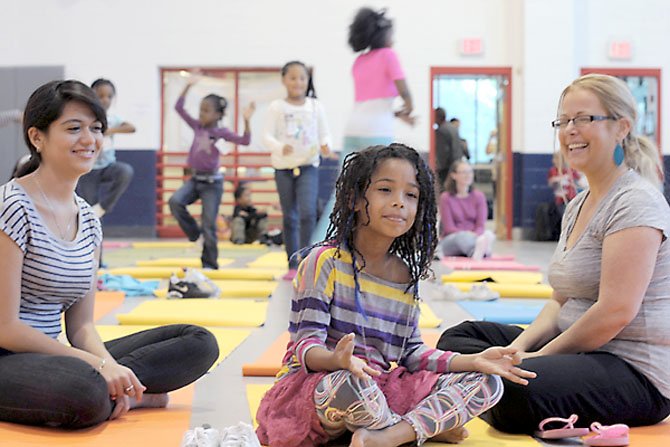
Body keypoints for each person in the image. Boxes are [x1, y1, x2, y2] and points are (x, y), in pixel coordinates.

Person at [256, 144, 535, 447]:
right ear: (354, 199)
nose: (399, 203)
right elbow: (305, 346)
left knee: (488, 384)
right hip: (318, 386)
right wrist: (337, 359)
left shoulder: (404, 277)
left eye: (411, 195)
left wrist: (473, 360)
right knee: (350, 386)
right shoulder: (324, 262)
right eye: (385, 190)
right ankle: (417, 427)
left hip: (380, 388)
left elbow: (412, 354)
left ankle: (388, 436)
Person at [438, 73, 670, 434]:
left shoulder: (635, 201)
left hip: (632, 368)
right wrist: (517, 350)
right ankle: (469, 392)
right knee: (457, 339)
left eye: (583, 119)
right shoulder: (577, 205)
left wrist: (538, 358)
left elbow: (615, 312)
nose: (570, 130)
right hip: (578, 352)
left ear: (622, 127)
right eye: (563, 121)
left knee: (512, 392)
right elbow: (557, 303)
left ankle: (458, 397)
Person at [0, 80, 219, 428]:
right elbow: (6, 328)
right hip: (7, 356)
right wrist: (99, 368)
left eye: (96, 128)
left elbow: (82, 326)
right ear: (37, 137)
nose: (89, 140)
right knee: (83, 391)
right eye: (73, 128)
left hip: (51, 355)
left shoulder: (88, 219)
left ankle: (118, 390)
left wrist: (106, 363)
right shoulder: (11, 206)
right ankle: (128, 394)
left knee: (198, 342)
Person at [311, 7, 414, 243]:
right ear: (382, 35)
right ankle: (369, 244)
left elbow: (373, 103)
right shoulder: (389, 55)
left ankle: (320, 245)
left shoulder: (359, 61)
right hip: (376, 133)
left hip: (353, 130)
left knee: (344, 193)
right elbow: (404, 90)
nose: (393, 39)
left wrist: (397, 114)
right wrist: (408, 107)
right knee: (379, 191)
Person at [169, 76, 255, 269]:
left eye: (206, 111)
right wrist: (188, 85)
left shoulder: (222, 132)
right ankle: (194, 235)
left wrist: (247, 120)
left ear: (217, 114)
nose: (201, 114)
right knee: (175, 202)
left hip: (212, 184)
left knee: (209, 224)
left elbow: (245, 141)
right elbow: (178, 108)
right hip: (195, 179)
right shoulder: (197, 126)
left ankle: (210, 263)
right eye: (201, 109)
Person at [263, 61, 332, 279]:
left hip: (308, 165)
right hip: (283, 167)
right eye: (292, 78)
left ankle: (306, 260)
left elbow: (324, 133)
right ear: (284, 80)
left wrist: (326, 145)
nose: (298, 82)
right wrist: (279, 147)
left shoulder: (315, 106)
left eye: (302, 78)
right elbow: (266, 136)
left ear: (307, 81)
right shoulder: (277, 107)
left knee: (308, 213)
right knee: (290, 216)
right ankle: (292, 264)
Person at [76, 79, 135, 218]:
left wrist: (111, 130)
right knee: (89, 211)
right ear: (91, 96)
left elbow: (131, 128)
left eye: (109, 96)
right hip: (88, 170)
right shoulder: (86, 117)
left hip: (107, 166)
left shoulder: (112, 118)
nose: (105, 100)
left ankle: (104, 206)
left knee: (125, 171)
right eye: (100, 96)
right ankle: (93, 237)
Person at [438, 160, 495, 260]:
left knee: (486, 234)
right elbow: (449, 228)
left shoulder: (479, 196)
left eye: (470, 172)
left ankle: (479, 250)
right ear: (454, 175)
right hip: (451, 239)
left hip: (475, 237)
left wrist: (475, 235)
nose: (468, 175)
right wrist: (467, 234)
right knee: (461, 237)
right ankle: (480, 251)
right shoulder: (446, 198)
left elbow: (480, 225)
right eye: (464, 172)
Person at [434, 108, 467, 188]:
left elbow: (443, 152)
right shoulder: (452, 128)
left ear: (437, 117)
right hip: (456, 165)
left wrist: (438, 168)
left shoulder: (441, 130)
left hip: (447, 168)